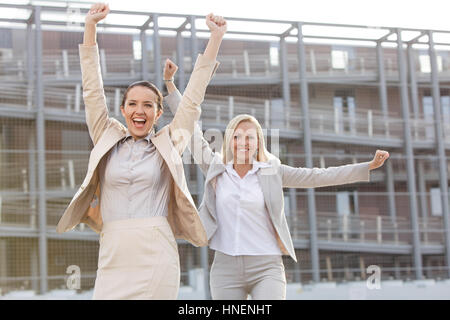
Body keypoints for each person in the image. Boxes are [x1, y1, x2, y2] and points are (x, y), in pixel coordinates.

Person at [163, 59, 389, 300]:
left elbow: (318, 176)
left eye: (250, 137)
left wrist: (368, 166)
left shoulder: (272, 171)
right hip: (225, 267)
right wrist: (169, 85)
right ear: (229, 141)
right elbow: (191, 129)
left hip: (266, 267)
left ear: (258, 142)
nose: (243, 142)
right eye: (237, 137)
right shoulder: (216, 167)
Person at [56, 3, 227, 299]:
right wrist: (90, 27)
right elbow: (92, 91)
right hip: (113, 252)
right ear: (122, 110)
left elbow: (192, 102)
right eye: (133, 104)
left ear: (158, 114)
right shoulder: (105, 135)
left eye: (148, 104)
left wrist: (216, 38)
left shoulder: (169, 142)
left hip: (156, 251)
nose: (140, 110)